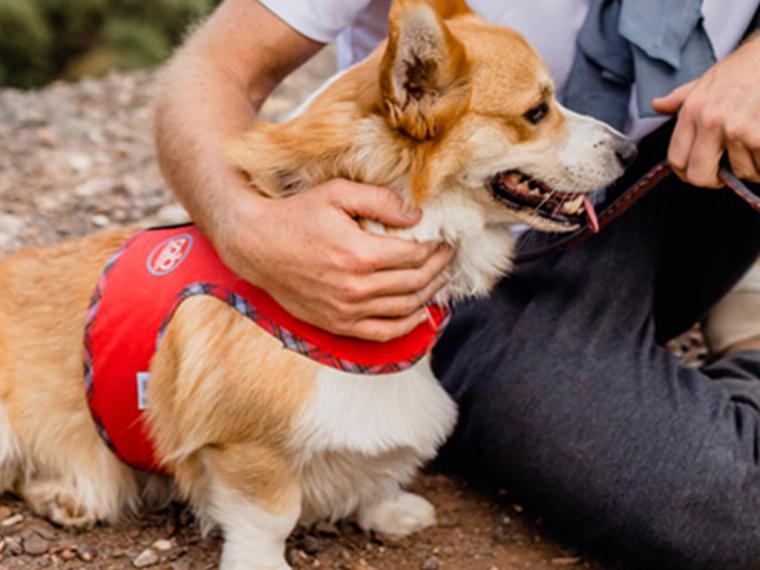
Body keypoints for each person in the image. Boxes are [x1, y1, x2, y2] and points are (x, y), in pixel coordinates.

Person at [153, 1, 760, 568]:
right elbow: (213, 67)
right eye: (531, 112)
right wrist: (250, 228)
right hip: (470, 249)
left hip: (701, 167)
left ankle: (741, 294)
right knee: (726, 518)